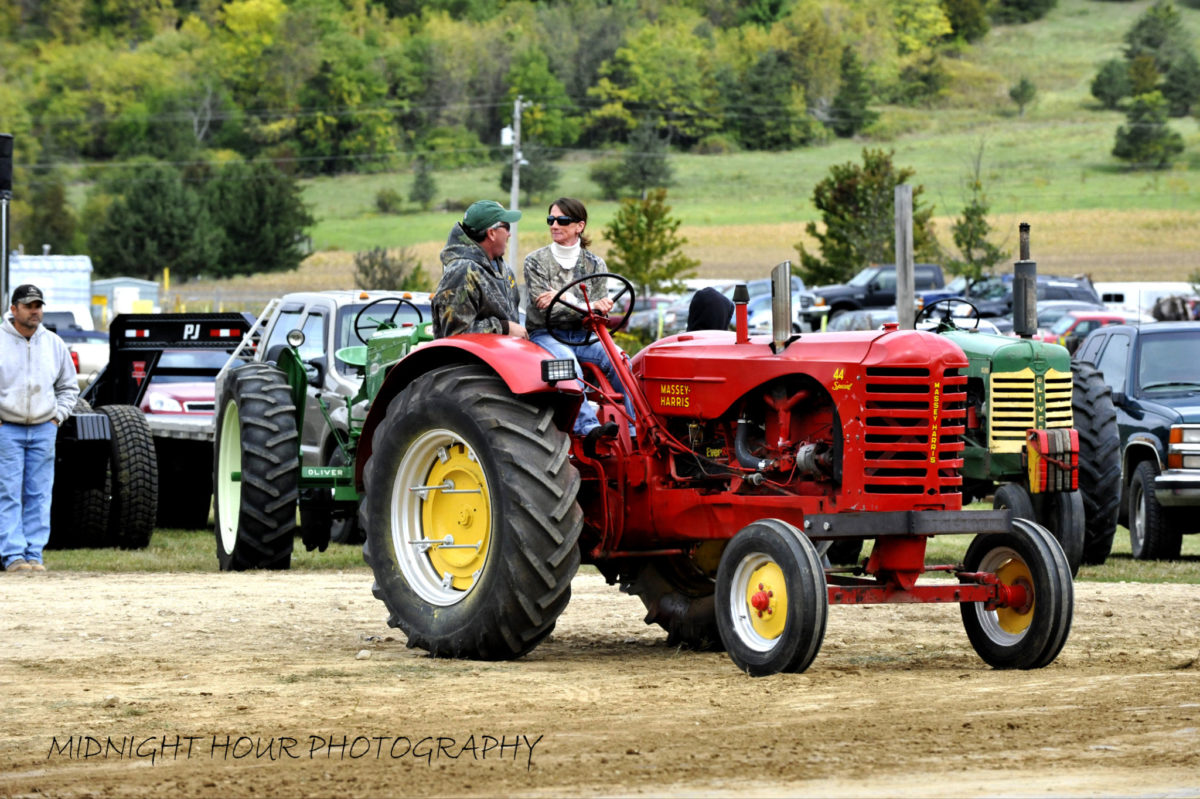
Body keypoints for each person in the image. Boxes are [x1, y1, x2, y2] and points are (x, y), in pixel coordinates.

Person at [524, 197, 634, 446]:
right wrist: (586, 305)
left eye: (562, 220)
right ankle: (589, 429)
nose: (554, 225)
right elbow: (545, 308)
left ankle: (637, 429)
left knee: (620, 360)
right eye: (550, 219)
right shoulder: (535, 261)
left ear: (579, 226)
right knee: (567, 364)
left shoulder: (595, 264)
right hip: (546, 334)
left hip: (584, 336)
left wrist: (566, 299)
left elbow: (594, 313)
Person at [1, 284, 79, 573]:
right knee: (8, 492)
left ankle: (34, 555)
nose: (36, 311)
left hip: (44, 430)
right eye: (29, 305)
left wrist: (56, 417)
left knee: (39, 493)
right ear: (14, 309)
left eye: (39, 305)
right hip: (6, 429)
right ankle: (12, 556)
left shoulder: (54, 344)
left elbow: (69, 387)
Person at [431, 200, 528, 339]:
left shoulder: (501, 267)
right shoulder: (462, 272)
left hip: (504, 357)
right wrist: (503, 328)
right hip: (472, 361)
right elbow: (455, 335)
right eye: (506, 227)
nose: (509, 234)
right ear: (492, 233)